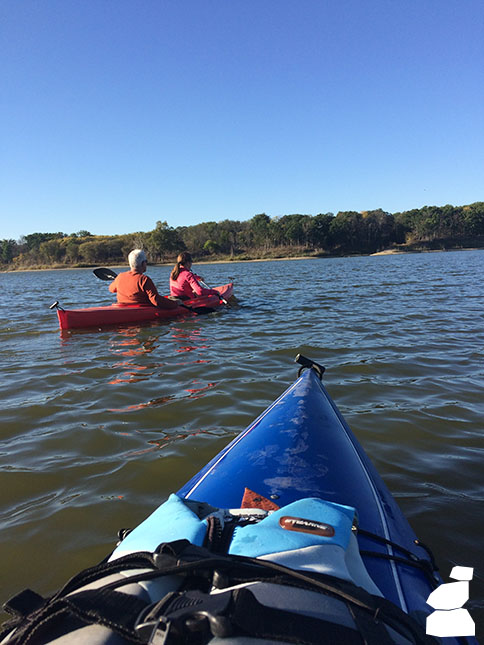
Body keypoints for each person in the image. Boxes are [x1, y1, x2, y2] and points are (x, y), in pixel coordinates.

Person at [109, 249, 179, 309]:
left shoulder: (120, 277)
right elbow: (156, 301)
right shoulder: (144, 279)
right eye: (146, 262)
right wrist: (175, 304)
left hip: (123, 308)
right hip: (139, 310)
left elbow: (111, 289)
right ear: (143, 263)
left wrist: (119, 280)